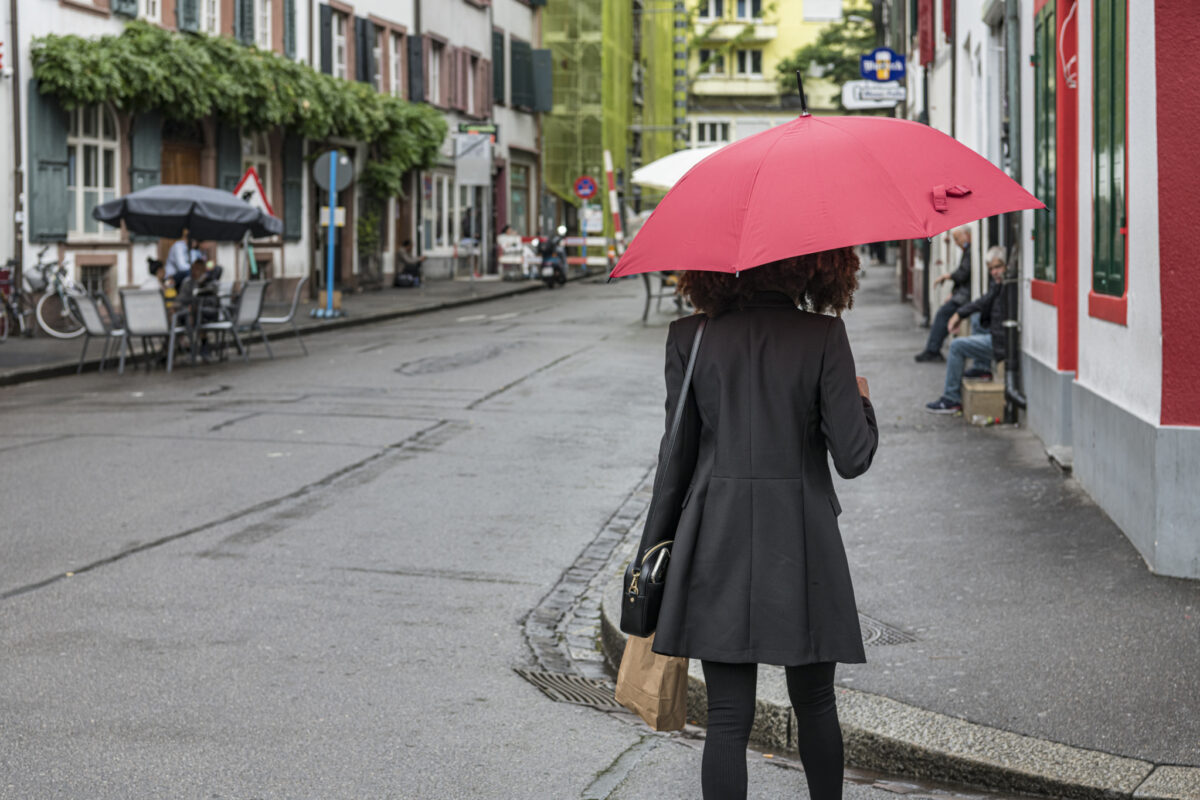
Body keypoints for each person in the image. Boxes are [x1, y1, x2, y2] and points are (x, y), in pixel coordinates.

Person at [648, 249, 878, 800]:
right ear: (814, 266)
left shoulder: (690, 337)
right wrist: (863, 402)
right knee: (816, 702)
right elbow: (853, 457)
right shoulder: (822, 337)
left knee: (727, 716)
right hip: (802, 537)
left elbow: (673, 462)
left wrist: (654, 554)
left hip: (715, 535)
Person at [925, 246, 1009, 414]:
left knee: (956, 346)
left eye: (998, 267)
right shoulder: (1000, 285)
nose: (994, 272)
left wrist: (958, 314)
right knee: (976, 318)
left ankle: (952, 398)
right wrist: (959, 314)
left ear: (1007, 266)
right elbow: (982, 302)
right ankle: (982, 368)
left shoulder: (1009, 286)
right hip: (998, 335)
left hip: (1001, 343)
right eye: (991, 269)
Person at [915, 226, 973, 362]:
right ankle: (932, 348)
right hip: (962, 294)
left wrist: (946, 276)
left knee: (943, 313)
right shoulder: (967, 251)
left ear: (966, 236)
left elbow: (963, 274)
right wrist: (953, 293)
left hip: (965, 297)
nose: (956, 243)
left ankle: (933, 350)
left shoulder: (970, 251)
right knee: (943, 312)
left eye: (958, 239)